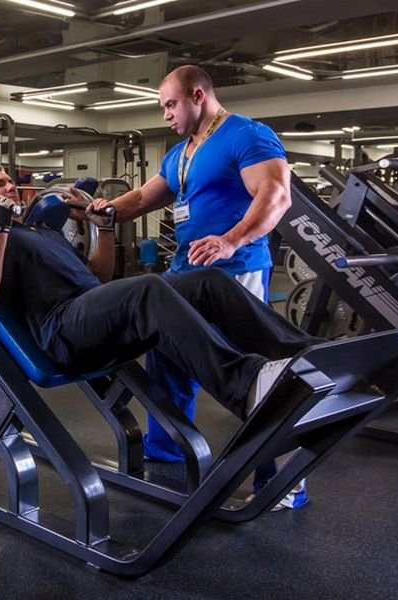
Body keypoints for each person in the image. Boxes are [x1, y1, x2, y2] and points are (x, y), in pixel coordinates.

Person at [88, 66, 308, 509]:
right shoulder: (180, 154)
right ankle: (166, 455)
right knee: (166, 359)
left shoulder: (246, 135)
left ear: (198, 95)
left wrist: (232, 240)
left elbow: (276, 195)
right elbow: (140, 199)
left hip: (235, 270)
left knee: (251, 373)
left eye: (171, 105)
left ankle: (282, 481)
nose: (166, 114)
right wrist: (102, 211)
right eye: (163, 107)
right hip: (184, 270)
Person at [0, 165, 323, 431]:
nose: (10, 186)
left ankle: (305, 353)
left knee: (206, 281)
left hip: (92, 310)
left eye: (10, 180)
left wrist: (103, 228)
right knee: (148, 288)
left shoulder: (45, 231)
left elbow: (98, 275)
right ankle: (245, 385)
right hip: (62, 329)